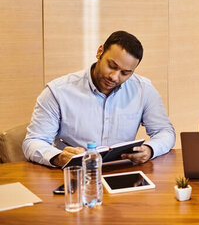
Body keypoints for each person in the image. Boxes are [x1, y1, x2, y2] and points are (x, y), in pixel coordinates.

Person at [23, 30, 175, 168]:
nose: (114, 77)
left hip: (121, 172)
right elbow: (33, 141)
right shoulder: (58, 91)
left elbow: (165, 132)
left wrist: (149, 149)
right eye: (112, 65)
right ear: (100, 52)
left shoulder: (143, 89)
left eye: (125, 73)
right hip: (74, 175)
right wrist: (57, 157)